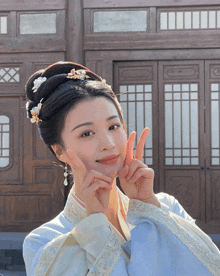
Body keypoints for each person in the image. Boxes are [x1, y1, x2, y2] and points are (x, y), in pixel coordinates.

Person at [23, 61, 220, 276]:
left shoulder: (165, 207)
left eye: (113, 127)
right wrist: (94, 228)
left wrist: (147, 207)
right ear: (60, 150)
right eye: (86, 133)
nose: (108, 143)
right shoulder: (45, 242)